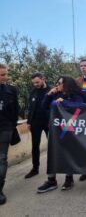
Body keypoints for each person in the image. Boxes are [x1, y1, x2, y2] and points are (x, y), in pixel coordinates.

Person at [37, 75, 84, 193]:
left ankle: (69, 179)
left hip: (69, 130)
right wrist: (48, 94)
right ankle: (51, 180)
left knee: (68, 153)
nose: (57, 85)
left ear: (67, 84)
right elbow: (44, 106)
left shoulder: (76, 95)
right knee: (53, 153)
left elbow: (80, 107)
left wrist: (65, 102)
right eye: (56, 83)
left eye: (60, 83)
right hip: (55, 129)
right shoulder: (54, 94)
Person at [24, 73, 51, 179]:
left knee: (53, 146)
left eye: (37, 82)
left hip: (49, 122)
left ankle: (54, 167)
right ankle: (35, 168)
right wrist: (29, 122)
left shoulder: (51, 90)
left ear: (43, 79)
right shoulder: (33, 92)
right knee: (35, 146)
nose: (35, 84)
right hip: (35, 123)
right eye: (34, 83)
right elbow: (31, 108)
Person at [0, 64, 19, 205]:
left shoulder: (11, 90)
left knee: (1, 159)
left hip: (5, 128)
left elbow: (15, 109)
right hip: (7, 127)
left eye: (6, 74)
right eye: (2, 75)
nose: (6, 77)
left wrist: (12, 125)